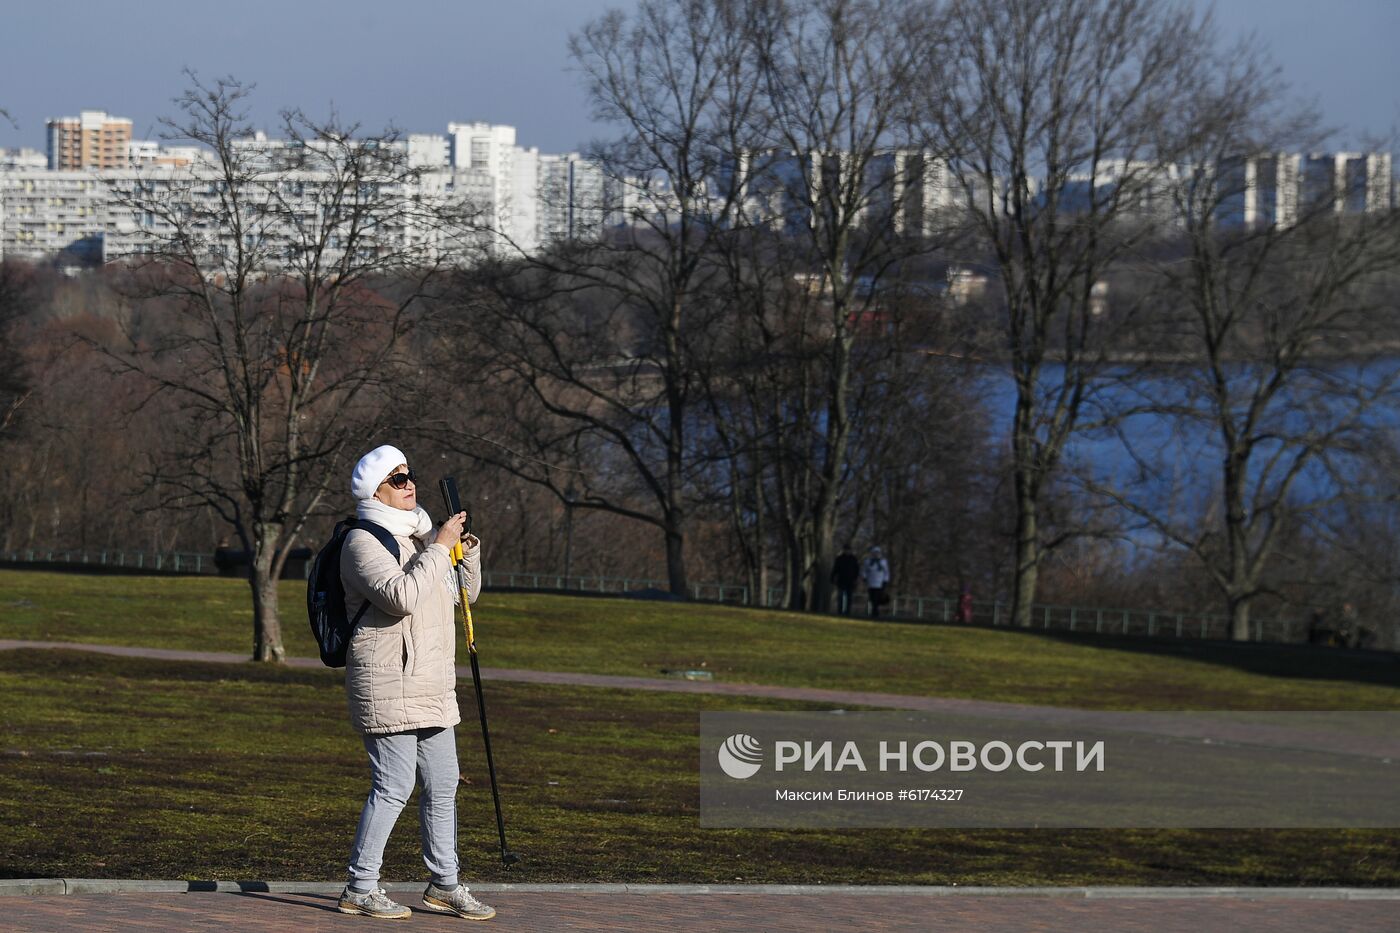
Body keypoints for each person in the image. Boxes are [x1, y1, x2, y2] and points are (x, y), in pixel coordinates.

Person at [336, 444, 496, 922]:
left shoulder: (422, 539)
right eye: (397, 479)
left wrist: (464, 554)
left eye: (410, 476)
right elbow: (400, 596)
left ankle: (444, 885)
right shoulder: (362, 540)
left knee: (443, 783)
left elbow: (461, 596)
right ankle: (360, 887)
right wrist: (441, 547)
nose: (410, 485)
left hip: (430, 682)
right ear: (376, 491)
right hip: (386, 681)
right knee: (393, 785)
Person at [862, 546, 891, 619]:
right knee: (872, 597)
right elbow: (864, 570)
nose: (876, 554)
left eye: (877, 553)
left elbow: (886, 572)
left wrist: (885, 581)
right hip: (871, 582)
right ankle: (874, 610)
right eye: (874, 553)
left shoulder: (883, 562)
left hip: (880, 583)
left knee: (877, 598)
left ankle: (875, 611)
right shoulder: (868, 562)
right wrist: (864, 577)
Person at [831, 545, 861, 616]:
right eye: (846, 550)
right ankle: (840, 611)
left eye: (848, 550)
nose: (847, 551)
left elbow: (857, 570)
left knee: (849, 597)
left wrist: (856, 579)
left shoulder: (853, 559)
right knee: (840, 596)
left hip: (850, 581)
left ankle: (848, 611)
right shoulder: (839, 559)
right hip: (841, 580)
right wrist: (832, 577)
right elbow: (835, 569)